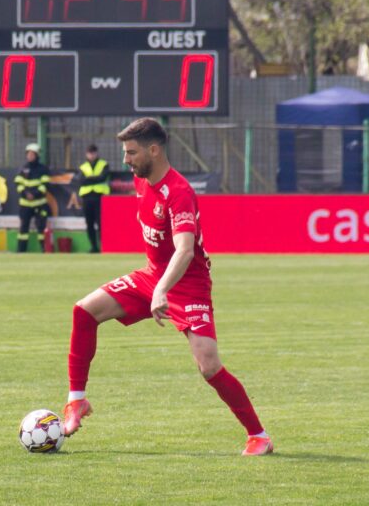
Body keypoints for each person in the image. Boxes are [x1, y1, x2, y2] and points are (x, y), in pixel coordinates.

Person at [62, 118, 273, 456]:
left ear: (154, 150)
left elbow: (185, 250)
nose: (126, 160)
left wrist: (162, 290)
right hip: (153, 276)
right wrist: (156, 284)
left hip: (187, 284)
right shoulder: (141, 180)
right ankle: (77, 401)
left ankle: (259, 435)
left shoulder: (180, 193)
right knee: (84, 311)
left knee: (209, 366)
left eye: (132, 153)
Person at [15, 143, 51, 253]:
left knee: (41, 228)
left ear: (37, 155)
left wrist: (34, 195)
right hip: (25, 204)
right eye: (28, 154)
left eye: (32, 154)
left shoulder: (43, 169)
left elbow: (45, 185)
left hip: (39, 203)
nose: (30, 156)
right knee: (23, 229)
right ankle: (21, 251)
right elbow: (18, 184)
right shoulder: (23, 168)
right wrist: (26, 194)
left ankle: (44, 250)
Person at [77, 144, 110, 253]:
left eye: (93, 152)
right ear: (87, 154)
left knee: (101, 223)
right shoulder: (83, 167)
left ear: (97, 153)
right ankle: (94, 247)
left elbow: (103, 177)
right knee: (89, 223)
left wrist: (89, 179)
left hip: (100, 197)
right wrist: (95, 179)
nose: (91, 155)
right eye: (89, 153)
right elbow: (81, 180)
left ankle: (103, 246)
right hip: (87, 198)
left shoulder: (104, 164)